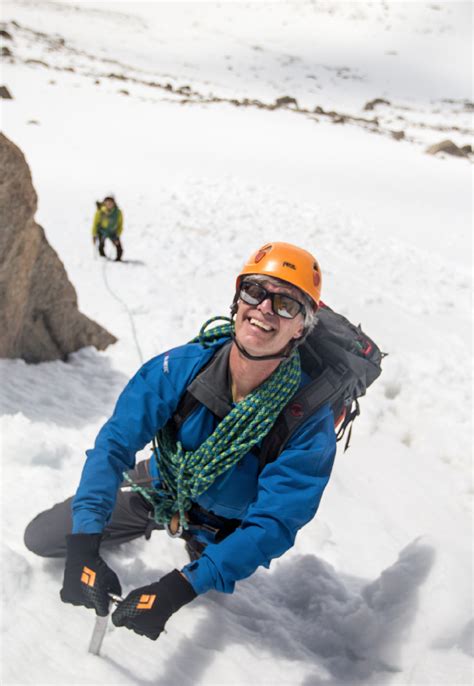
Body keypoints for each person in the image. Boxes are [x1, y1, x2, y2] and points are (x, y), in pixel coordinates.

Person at [24, 242, 336, 642]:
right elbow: (113, 446)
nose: (264, 310)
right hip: (163, 489)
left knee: (214, 568)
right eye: (255, 292)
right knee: (43, 536)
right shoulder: (183, 367)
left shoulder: (307, 419)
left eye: (286, 305)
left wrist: (179, 589)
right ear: (238, 299)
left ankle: (200, 550)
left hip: (227, 526)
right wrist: (85, 542)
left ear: (301, 328)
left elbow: (273, 524)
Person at [92, 196, 124, 261]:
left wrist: (118, 234)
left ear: (114, 203)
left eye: (111, 203)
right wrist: (94, 234)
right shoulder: (100, 212)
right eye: (107, 203)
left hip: (113, 232)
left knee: (118, 246)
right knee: (101, 244)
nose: (109, 204)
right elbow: (95, 223)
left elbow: (120, 224)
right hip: (102, 231)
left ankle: (118, 259)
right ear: (105, 203)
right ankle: (102, 256)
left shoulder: (118, 212)